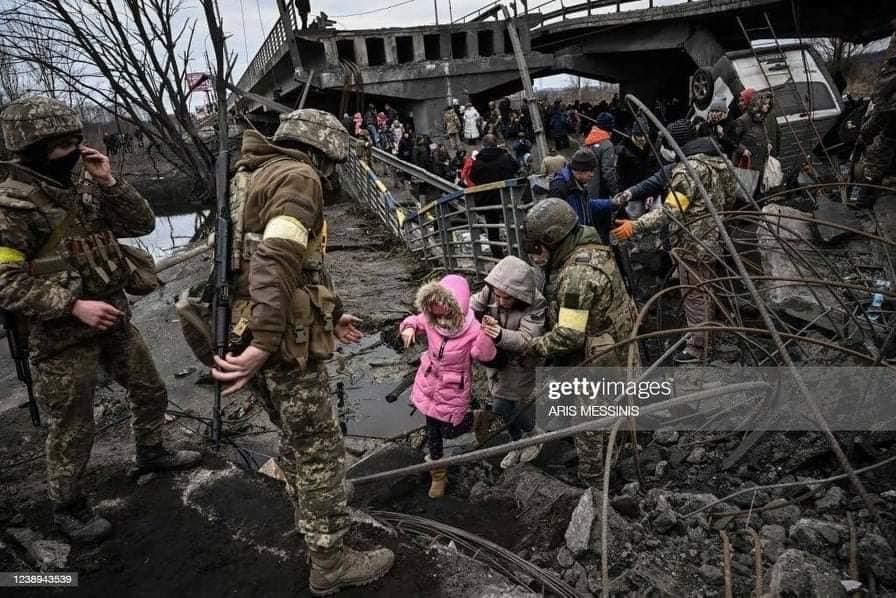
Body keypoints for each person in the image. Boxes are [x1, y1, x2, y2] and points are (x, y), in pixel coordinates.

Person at [0, 96, 202, 543]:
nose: (73, 150)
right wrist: (72, 306)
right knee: (72, 423)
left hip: (112, 316)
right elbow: (6, 281)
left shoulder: (81, 185)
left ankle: (151, 452)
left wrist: (108, 181)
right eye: (62, 145)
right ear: (32, 148)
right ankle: (68, 507)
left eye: (77, 140)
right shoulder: (11, 206)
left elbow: (142, 223)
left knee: (150, 389)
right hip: (61, 335)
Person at [209, 109, 394, 595]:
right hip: (280, 337)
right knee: (319, 447)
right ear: (323, 152)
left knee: (294, 436)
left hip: (253, 323)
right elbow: (276, 260)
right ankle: (331, 559)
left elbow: (284, 263)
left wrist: (333, 315)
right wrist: (268, 341)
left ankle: (311, 518)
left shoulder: (251, 174)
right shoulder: (299, 176)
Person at [523, 198, 638, 488]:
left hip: (600, 354)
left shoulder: (576, 275)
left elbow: (569, 335)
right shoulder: (591, 244)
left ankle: (593, 480)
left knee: (586, 419)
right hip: (620, 340)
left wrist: (532, 347)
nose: (535, 255)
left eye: (537, 247)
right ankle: (621, 449)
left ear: (552, 239)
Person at [611, 126, 737, 364]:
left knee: (693, 293)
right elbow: (731, 197)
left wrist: (634, 226)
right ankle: (709, 335)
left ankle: (697, 347)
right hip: (714, 239)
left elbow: (670, 212)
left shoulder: (687, 172)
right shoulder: (719, 162)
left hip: (692, 244)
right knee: (708, 288)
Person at [399, 274, 496, 497]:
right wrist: (409, 327)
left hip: (453, 388)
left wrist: (486, 335)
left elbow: (483, 355)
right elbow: (415, 320)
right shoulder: (431, 319)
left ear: (456, 306)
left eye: (441, 306)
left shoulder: (472, 329)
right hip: (429, 382)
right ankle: (438, 475)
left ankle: (476, 419)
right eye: (432, 306)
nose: (436, 313)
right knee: (432, 430)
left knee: (449, 430)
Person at [470, 256, 547, 469]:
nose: (500, 302)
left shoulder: (536, 303)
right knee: (504, 403)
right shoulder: (492, 290)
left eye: (507, 298)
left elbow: (528, 339)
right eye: (498, 296)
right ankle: (518, 441)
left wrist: (499, 334)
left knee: (504, 404)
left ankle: (533, 435)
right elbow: (469, 307)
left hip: (521, 363)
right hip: (495, 360)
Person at [855, 24, 896, 208]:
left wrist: (865, 134)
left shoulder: (890, 75)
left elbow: (882, 111)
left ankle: (865, 200)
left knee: (879, 153)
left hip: (889, 122)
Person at [549, 149, 624, 243]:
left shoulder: (578, 184)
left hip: (582, 236)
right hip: (573, 241)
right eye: (590, 171)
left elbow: (587, 205)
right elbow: (556, 220)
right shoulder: (560, 188)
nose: (592, 175)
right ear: (580, 170)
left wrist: (611, 203)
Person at [470, 134, 520, 258]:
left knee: (493, 230)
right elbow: (517, 167)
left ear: (483, 145)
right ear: (496, 144)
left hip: (487, 200)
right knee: (513, 224)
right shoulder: (504, 157)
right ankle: (517, 252)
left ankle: (498, 257)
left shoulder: (478, 161)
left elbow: (472, 177)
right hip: (507, 198)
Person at [584, 112, 619, 200]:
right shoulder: (607, 145)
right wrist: (615, 192)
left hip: (587, 187)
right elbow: (608, 171)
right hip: (599, 191)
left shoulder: (589, 140)